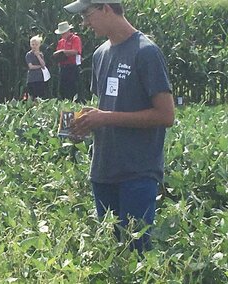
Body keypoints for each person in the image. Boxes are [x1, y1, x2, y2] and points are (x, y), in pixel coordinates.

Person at [66, 0, 175, 253]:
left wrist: (105, 118)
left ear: (106, 8)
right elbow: (108, 105)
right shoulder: (100, 54)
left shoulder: (146, 52)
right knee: (111, 253)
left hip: (137, 170)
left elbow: (166, 115)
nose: (84, 23)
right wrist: (87, 122)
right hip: (104, 169)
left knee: (135, 251)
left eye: (87, 14)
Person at [53, 21, 82, 101]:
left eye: (64, 33)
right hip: (63, 67)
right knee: (62, 89)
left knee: (73, 89)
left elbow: (76, 51)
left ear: (68, 31)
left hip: (73, 67)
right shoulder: (61, 42)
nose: (62, 35)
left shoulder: (75, 39)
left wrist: (63, 52)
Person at [25, 35, 49, 99]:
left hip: (40, 78)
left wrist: (38, 56)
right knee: (32, 97)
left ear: (39, 45)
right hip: (32, 79)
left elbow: (43, 65)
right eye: (33, 44)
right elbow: (31, 66)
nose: (34, 46)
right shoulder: (28, 54)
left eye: (36, 44)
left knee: (40, 97)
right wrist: (39, 66)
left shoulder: (41, 54)